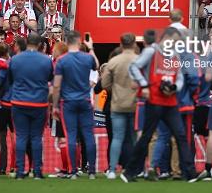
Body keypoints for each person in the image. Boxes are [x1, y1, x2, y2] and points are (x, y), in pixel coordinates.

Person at [122, 27, 206, 183]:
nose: (175, 44)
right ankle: (130, 171)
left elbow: (179, 77)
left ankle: (190, 172)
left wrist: (174, 88)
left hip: (170, 101)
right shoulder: (151, 51)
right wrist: (144, 85)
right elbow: (133, 67)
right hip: (154, 100)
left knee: (180, 136)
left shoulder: (174, 55)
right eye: (173, 40)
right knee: (147, 136)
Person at [51, 31, 99, 179]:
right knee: (88, 136)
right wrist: (90, 48)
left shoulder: (61, 60)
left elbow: (57, 86)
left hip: (68, 102)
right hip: (84, 100)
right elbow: (97, 66)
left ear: (67, 42)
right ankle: (91, 171)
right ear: (80, 42)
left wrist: (54, 106)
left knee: (71, 136)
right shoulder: (87, 58)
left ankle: (72, 171)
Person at [8, 32, 54, 179]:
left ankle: (20, 171)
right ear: (40, 45)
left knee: (20, 137)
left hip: (19, 102)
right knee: (36, 137)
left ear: (26, 42)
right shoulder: (46, 60)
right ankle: (37, 171)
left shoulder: (15, 60)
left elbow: (10, 81)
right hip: (39, 103)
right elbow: (50, 79)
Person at [100, 32, 139, 179]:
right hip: (134, 104)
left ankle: (112, 170)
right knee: (134, 138)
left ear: (121, 45)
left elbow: (104, 84)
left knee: (117, 137)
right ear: (134, 44)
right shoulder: (140, 60)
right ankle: (134, 169)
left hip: (117, 103)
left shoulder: (114, 62)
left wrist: (116, 90)